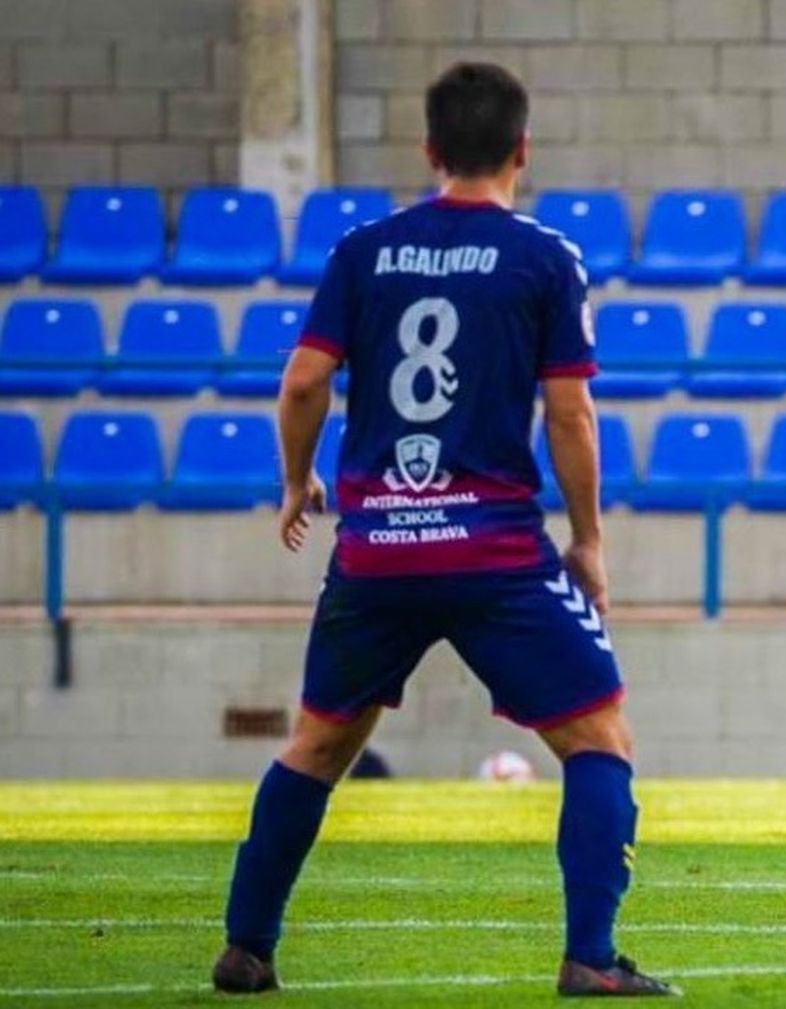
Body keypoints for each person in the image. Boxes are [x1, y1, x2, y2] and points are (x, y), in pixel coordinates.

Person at [211, 62, 678, 997]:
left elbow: (304, 381)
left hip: (376, 544)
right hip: (494, 548)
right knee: (599, 739)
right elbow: (570, 414)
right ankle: (590, 957)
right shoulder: (546, 258)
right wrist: (586, 538)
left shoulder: (362, 250)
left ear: (429, 149)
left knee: (317, 744)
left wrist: (299, 482)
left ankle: (245, 947)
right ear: (522, 150)